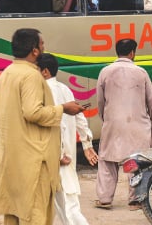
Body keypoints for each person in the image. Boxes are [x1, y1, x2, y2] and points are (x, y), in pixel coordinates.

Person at [0, 28, 88, 225]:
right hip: (34, 161)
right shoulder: (31, 76)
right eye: (42, 44)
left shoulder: (7, 73)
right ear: (34, 50)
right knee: (36, 215)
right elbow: (33, 112)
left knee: (13, 214)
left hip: (13, 158)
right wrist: (63, 108)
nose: (44, 48)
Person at [95, 39, 152, 210]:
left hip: (112, 123)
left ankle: (104, 199)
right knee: (135, 162)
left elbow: (100, 101)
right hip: (137, 124)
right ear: (132, 53)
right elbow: (151, 101)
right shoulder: (141, 72)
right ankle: (135, 200)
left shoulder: (105, 72)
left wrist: (107, 119)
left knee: (107, 161)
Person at [38, 54, 98, 225]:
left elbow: (58, 127)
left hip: (60, 157)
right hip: (63, 154)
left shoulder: (45, 92)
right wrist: (87, 144)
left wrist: (60, 154)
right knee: (62, 205)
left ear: (45, 71)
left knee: (69, 206)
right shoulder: (65, 89)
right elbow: (79, 118)